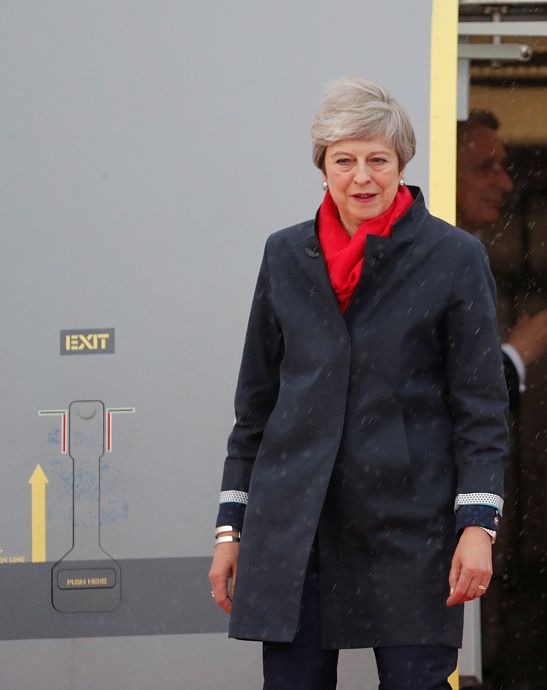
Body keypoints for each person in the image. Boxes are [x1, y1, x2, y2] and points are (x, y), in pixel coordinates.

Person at [207, 77, 508, 690]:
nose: (362, 177)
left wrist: (478, 527)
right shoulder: (284, 254)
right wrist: (230, 530)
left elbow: (480, 407)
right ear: (323, 167)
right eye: (345, 161)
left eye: (379, 160)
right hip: (295, 526)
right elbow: (256, 406)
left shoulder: (453, 256)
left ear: (402, 165)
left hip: (410, 527)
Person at [456, 109, 547, 410]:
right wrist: (516, 354)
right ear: (442, 168)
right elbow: (451, 399)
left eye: (501, 167)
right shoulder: (421, 262)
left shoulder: (463, 258)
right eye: (484, 167)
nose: (505, 183)